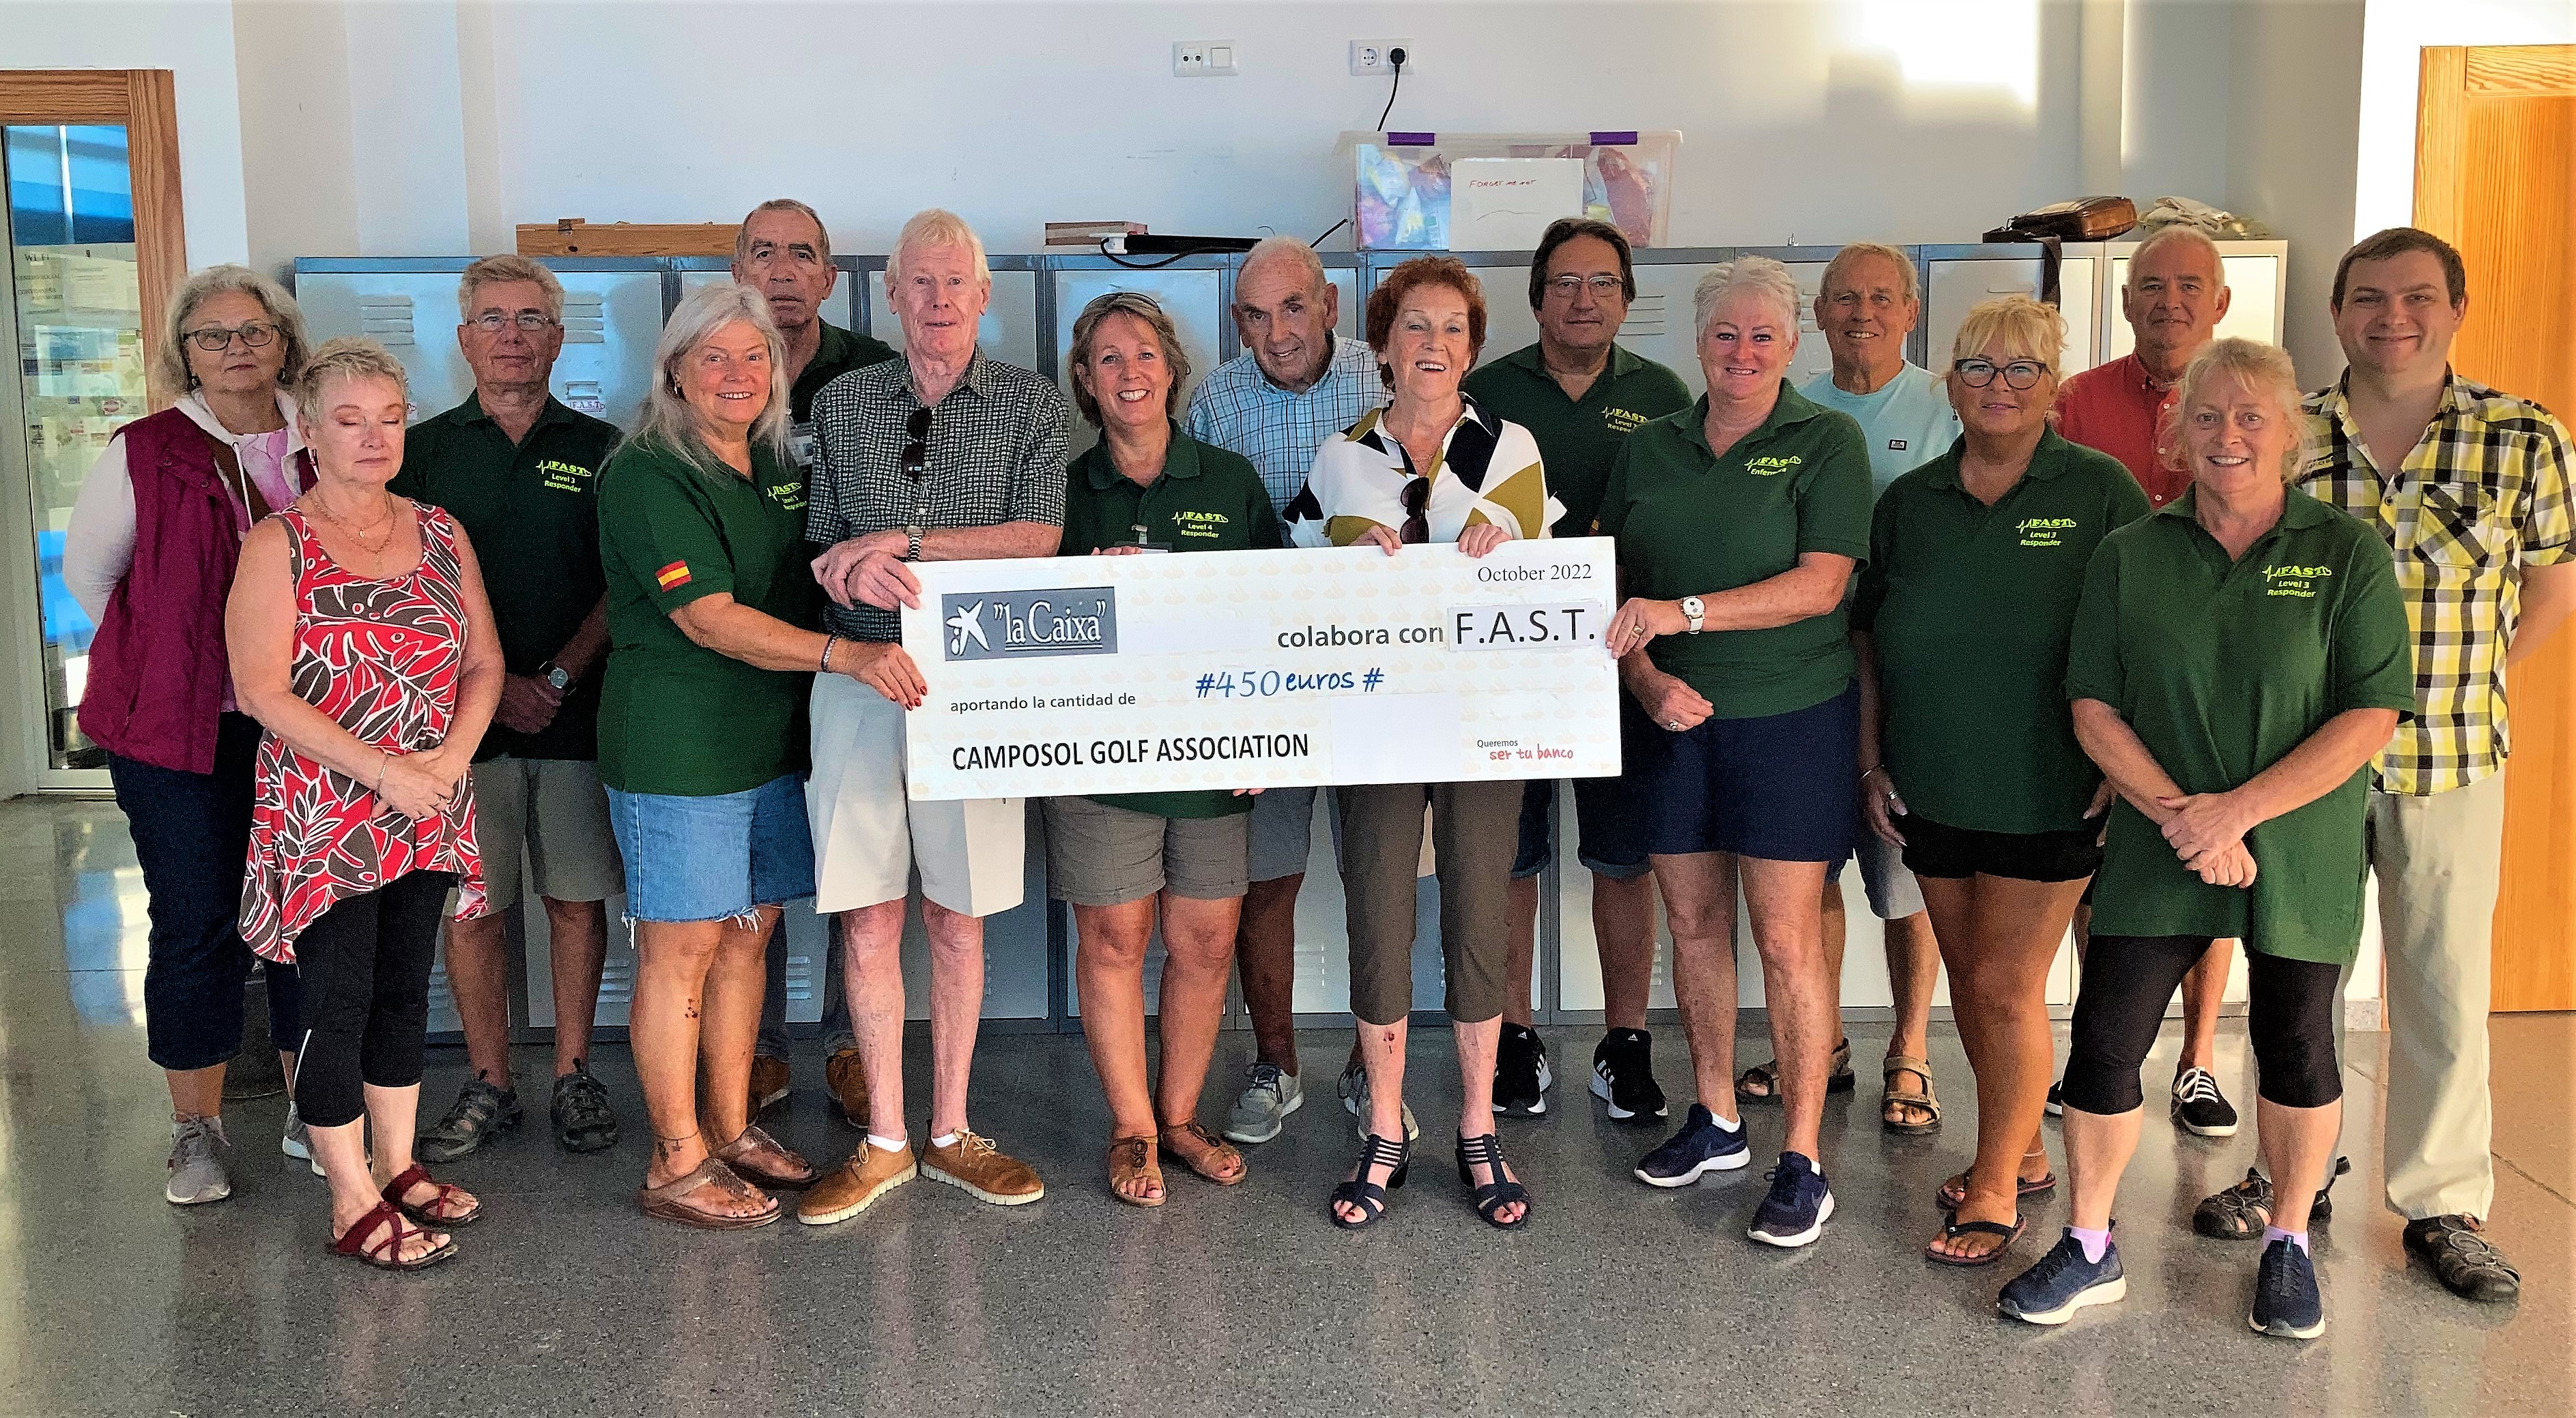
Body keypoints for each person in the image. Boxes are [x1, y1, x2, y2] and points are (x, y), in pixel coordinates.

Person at [2001, 338, 2413, 1339]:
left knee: (2297, 1043)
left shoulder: (2345, 552)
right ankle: (2089, 1246)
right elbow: (2093, 706)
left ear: (2290, 433)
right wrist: (2184, 818)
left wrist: (2237, 812)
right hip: (2160, 840)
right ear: (2175, 434)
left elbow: (2371, 713)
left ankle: (2288, 1243)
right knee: (2105, 1042)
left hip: (2298, 841)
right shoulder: (2129, 553)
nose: (2228, 435)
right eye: (2207, 416)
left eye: (2250, 416)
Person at [2263, 228, 2572, 1301]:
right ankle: (2291, 1174)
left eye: (2415, 297)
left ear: (2455, 309)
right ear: (2335, 312)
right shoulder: (2288, 432)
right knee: (2299, 976)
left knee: (2442, 984)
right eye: (2367, 298)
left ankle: (2441, 1201)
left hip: (2449, 756)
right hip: (2305, 761)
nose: (2390, 317)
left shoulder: (2522, 436)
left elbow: (2550, 588)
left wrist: (2467, 679)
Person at [1852, 297, 2147, 1264]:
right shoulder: (1910, 502)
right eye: (1978, 367)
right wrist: (1872, 759)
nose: (1999, 386)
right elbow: (1868, 639)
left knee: (2006, 985)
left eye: (2023, 369)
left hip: (2048, 784)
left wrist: (2127, 760)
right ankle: (2019, 1150)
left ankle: (1991, 1188)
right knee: (1975, 989)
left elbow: (2146, 634)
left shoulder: (2099, 491)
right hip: (1931, 783)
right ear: (1950, 385)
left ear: (2054, 386)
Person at [797, 209, 1068, 1224]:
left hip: (978, 688)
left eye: (956, 283)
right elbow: (820, 545)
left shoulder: (1031, 405)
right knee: (868, 915)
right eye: (920, 282)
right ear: (892, 295)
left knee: (958, 918)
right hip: (860, 677)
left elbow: (1040, 538)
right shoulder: (842, 402)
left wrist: (903, 544)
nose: (939, 300)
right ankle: (884, 1141)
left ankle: (951, 1130)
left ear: (984, 296)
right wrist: (849, 563)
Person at [1601, 255, 1872, 1248]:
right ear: (1698, 342)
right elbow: (1612, 594)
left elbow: (1821, 585)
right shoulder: (1651, 446)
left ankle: (1801, 1156)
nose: (1742, 352)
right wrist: (1646, 681)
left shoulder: (1826, 440)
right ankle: (1715, 1116)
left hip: (1790, 719)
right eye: (1725, 334)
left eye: (1762, 335)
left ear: (1792, 345)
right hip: (1671, 720)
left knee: (1786, 940)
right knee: (1692, 922)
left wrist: (1686, 614)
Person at [1285, 255, 1554, 1230]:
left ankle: (1478, 1126)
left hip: (1482, 722)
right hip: (1375, 723)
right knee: (1377, 909)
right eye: (1413, 325)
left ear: (1471, 348)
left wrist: (1509, 553)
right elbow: (1292, 584)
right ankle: (1385, 1127)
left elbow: (1549, 580)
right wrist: (1343, 562)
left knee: (1480, 911)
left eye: (1450, 328)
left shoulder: (1512, 449)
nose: (1432, 343)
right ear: (1383, 345)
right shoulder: (1341, 457)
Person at [229, 338, 504, 1269]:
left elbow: (484, 662)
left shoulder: (441, 530)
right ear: (308, 431)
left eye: (389, 418)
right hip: (325, 812)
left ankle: (395, 1163)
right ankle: (349, 1195)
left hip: (428, 800)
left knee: (402, 987)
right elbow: (262, 690)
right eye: (350, 420)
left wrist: (449, 762)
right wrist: (386, 772)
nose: (374, 436)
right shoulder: (277, 544)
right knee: (336, 998)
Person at [597, 284, 855, 1229]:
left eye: (755, 357)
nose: (739, 375)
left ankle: (732, 1126)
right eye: (715, 357)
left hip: (770, 740)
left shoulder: (777, 462)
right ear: (675, 372)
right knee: (684, 948)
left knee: (751, 933)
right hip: (680, 746)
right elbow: (708, 617)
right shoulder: (646, 472)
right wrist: (846, 655)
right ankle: (674, 1159)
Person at [63, 264, 314, 1203]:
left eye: (254, 331)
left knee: (306, 914)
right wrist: (176, 662)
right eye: (213, 335)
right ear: (185, 352)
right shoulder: (145, 450)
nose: (236, 348)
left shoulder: (322, 436)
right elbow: (94, 580)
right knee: (196, 920)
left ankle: (313, 1107)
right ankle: (196, 1129)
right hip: (179, 733)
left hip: (308, 726)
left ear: (284, 342)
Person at [1050, 291, 1281, 1204]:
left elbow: (1277, 617)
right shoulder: (1061, 489)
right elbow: (1020, 625)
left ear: (1172, 368)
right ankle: (1132, 1129)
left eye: (1144, 353)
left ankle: (1179, 1118)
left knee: (1205, 939)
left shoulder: (1228, 481)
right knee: (1114, 937)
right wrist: (1081, 589)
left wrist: (1270, 736)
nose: (1130, 371)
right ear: (1085, 379)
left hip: (1212, 752)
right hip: (1098, 756)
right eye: (1108, 358)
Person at [1459, 217, 1690, 1123]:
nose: (1583, 299)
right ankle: (1514, 1037)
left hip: (1622, 659)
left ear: (1627, 299)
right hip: (1507, 665)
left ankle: (1624, 1043)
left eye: (1602, 283)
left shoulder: (1663, 393)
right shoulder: (1486, 392)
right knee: (1507, 859)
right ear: (1535, 298)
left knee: (1622, 859)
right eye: (1564, 282)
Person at [398, 256, 625, 1162]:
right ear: (464, 338)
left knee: (574, 900)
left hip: (575, 715)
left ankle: (574, 1073)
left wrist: (559, 676)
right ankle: (489, 1082)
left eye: (531, 318)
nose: (512, 335)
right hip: (459, 729)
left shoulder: (604, 448)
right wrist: (486, 688)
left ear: (558, 338)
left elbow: (624, 581)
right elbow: (404, 590)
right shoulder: (419, 451)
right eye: (492, 318)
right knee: (474, 907)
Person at [1184, 235, 1383, 1147]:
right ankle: (1276, 1063)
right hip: (1265, 681)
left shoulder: (1385, 377)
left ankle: (1371, 1069)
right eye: (1256, 316)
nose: (1277, 333)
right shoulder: (1215, 401)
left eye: (1294, 308)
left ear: (1330, 304)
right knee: (1267, 878)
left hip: (1379, 676)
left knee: (1378, 877)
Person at [2049, 226, 2241, 1138]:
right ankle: (2104, 1052)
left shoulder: (2244, 400)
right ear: (2125, 302)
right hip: (2108, 674)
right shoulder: (2077, 401)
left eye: (2189, 285)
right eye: (2152, 286)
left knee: (2212, 861)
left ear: (2220, 301)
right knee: (2103, 877)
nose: (2170, 302)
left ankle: (2197, 1063)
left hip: (2215, 681)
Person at [1769, 240, 1962, 1135]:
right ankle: (1826, 1045)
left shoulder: (1946, 405)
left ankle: (1910, 1050)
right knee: (1809, 866)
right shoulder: (1791, 407)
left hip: (1911, 676)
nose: (1862, 314)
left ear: (1912, 312)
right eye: (1844, 298)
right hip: (1809, 671)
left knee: (1904, 874)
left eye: (1882, 298)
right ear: (1817, 314)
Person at [732, 198, 898, 1126]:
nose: (783, 271)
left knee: (854, 852)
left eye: (802, 255)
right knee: (760, 851)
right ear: (738, 272)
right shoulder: (715, 367)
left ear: (832, 278)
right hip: (747, 647)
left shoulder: (874, 373)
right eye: (764, 253)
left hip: (856, 647)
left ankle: (845, 1045)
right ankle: (759, 1046)